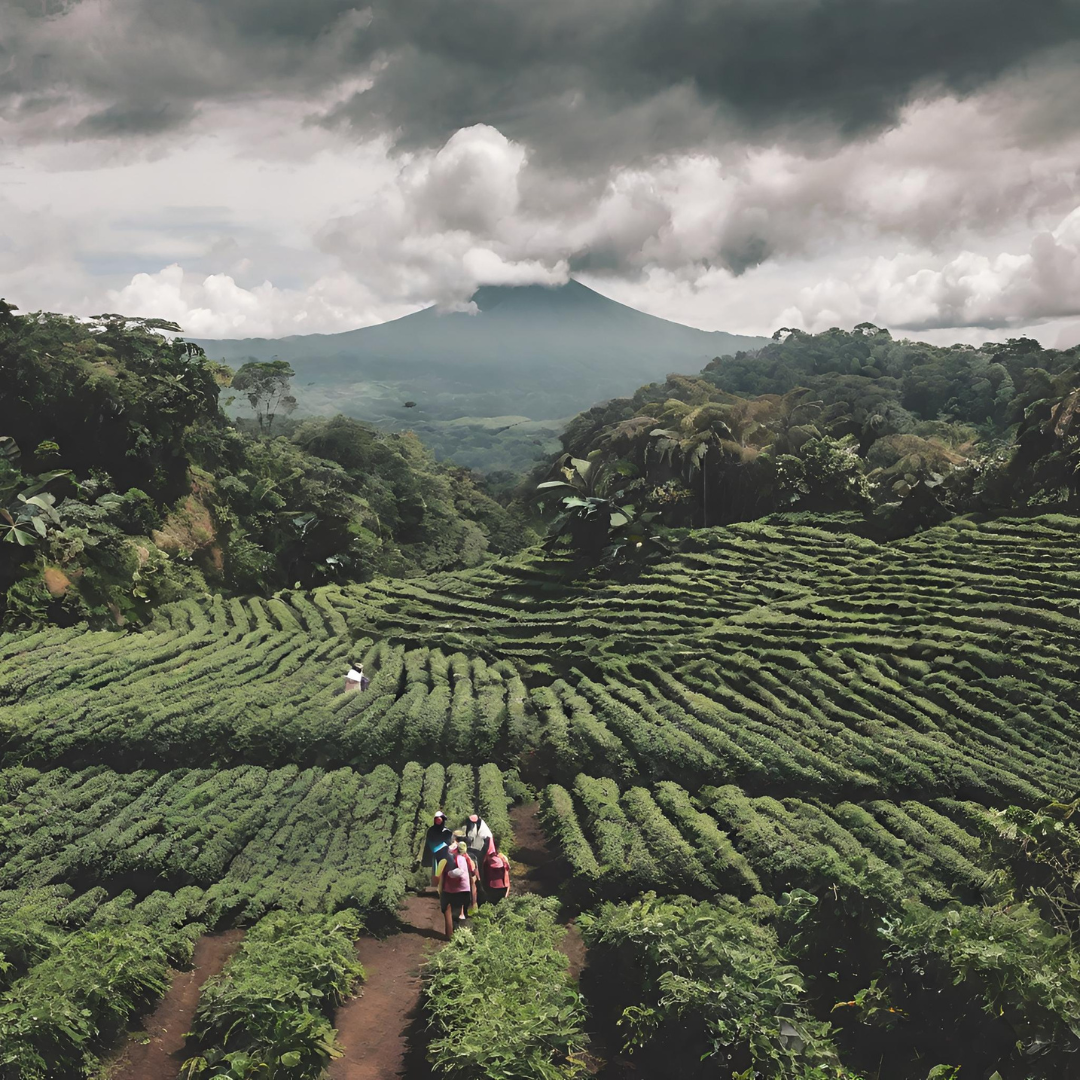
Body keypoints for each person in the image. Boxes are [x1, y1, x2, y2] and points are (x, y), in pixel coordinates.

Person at [440, 841, 477, 939]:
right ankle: (456, 935)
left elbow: (460, 871)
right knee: (455, 913)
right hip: (460, 889)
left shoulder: (459, 859)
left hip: (457, 889)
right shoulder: (465, 859)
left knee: (454, 914)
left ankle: (455, 936)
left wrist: (450, 874)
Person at [420, 811, 453, 888]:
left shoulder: (447, 831)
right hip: (434, 854)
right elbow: (429, 842)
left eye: (439, 819)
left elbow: (448, 843)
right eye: (436, 819)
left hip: (444, 854)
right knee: (435, 872)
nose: (438, 821)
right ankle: (435, 886)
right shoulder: (431, 830)